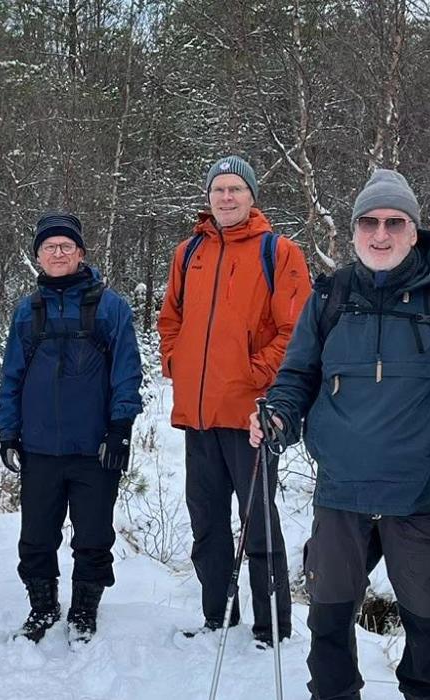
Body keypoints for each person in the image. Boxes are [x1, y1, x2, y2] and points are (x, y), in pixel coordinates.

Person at [252, 170, 430, 699]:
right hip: (341, 493)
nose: (380, 234)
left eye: (393, 223)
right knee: (329, 626)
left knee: (427, 630)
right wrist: (279, 417)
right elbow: (297, 377)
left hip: (420, 495)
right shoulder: (330, 296)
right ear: (354, 230)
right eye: (369, 222)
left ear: (413, 231)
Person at [158, 155, 309, 645]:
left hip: (251, 416)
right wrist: (177, 366)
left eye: (236, 189)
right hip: (199, 417)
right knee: (207, 524)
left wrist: (254, 377)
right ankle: (217, 617)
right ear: (208, 196)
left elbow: (295, 330)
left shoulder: (279, 252)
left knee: (258, 526)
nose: (226, 197)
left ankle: (272, 627)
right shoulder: (188, 252)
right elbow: (169, 320)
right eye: (219, 189)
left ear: (251, 196)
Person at [0, 213, 143, 643]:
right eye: (49, 247)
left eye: (65, 246)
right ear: (38, 256)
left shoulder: (110, 306)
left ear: (80, 253)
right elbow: (11, 376)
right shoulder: (28, 311)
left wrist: (120, 428)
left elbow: (126, 372)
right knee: (36, 537)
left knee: (94, 537)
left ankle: (84, 609)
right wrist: (8, 432)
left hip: (94, 448)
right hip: (39, 447)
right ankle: (42, 607)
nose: (57, 253)